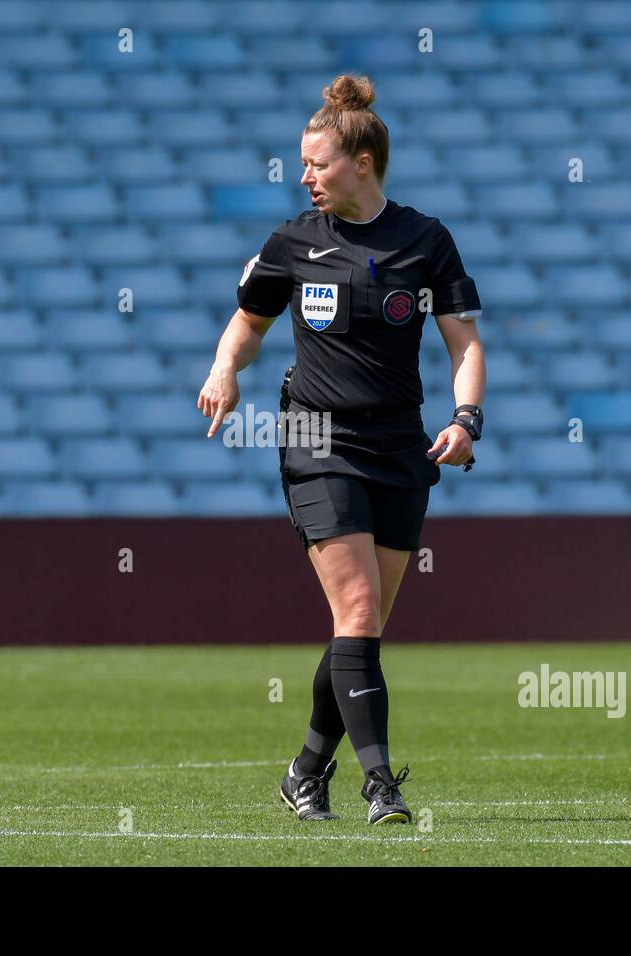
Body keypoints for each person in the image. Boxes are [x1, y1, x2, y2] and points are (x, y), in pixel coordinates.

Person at [197, 73, 486, 824]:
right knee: (357, 610)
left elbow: (466, 344)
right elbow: (248, 323)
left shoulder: (426, 241)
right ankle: (381, 784)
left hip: (400, 445)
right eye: (302, 164)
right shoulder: (293, 242)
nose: (305, 176)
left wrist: (466, 419)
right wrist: (225, 368)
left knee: (360, 627)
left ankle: (304, 771)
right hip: (315, 437)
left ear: (362, 162)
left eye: (317, 163)